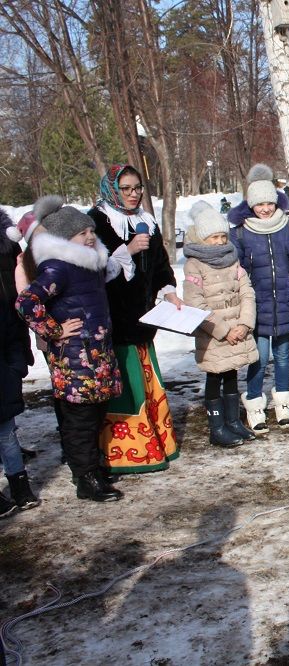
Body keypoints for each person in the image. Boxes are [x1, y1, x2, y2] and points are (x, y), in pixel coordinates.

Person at [16, 196, 124, 501]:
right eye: (82, 234)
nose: (90, 237)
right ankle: (85, 478)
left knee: (96, 411)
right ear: (64, 239)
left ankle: (93, 466)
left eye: (91, 232)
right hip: (75, 355)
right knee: (80, 418)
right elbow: (26, 302)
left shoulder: (87, 265)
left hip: (96, 352)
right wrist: (54, 330)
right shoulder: (58, 267)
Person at [90, 164, 181, 475]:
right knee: (125, 386)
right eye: (126, 188)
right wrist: (126, 251)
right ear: (113, 190)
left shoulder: (147, 223)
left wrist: (169, 292)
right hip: (112, 325)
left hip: (143, 321)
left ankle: (156, 441)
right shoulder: (97, 223)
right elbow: (94, 273)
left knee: (146, 382)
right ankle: (124, 452)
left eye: (137, 188)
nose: (133, 194)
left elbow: (160, 267)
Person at [230, 163, 289, 433]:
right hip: (257, 304)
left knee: (284, 355)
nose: (265, 209)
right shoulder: (241, 232)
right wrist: (247, 289)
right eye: (259, 204)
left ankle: (283, 404)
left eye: (269, 203)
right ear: (250, 204)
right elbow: (236, 266)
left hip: (286, 301)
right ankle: (254, 405)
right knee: (259, 358)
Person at [182, 202, 258, 448]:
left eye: (222, 236)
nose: (219, 241)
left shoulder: (232, 260)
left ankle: (233, 420)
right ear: (203, 238)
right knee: (215, 376)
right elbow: (195, 302)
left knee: (233, 373)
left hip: (237, 329)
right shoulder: (194, 264)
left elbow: (247, 291)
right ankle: (217, 427)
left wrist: (244, 325)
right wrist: (224, 331)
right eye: (214, 237)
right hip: (214, 335)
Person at [1, 209, 39, 515]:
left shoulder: (9, 241)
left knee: (6, 428)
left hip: (9, 332)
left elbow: (22, 277)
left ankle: (19, 485)